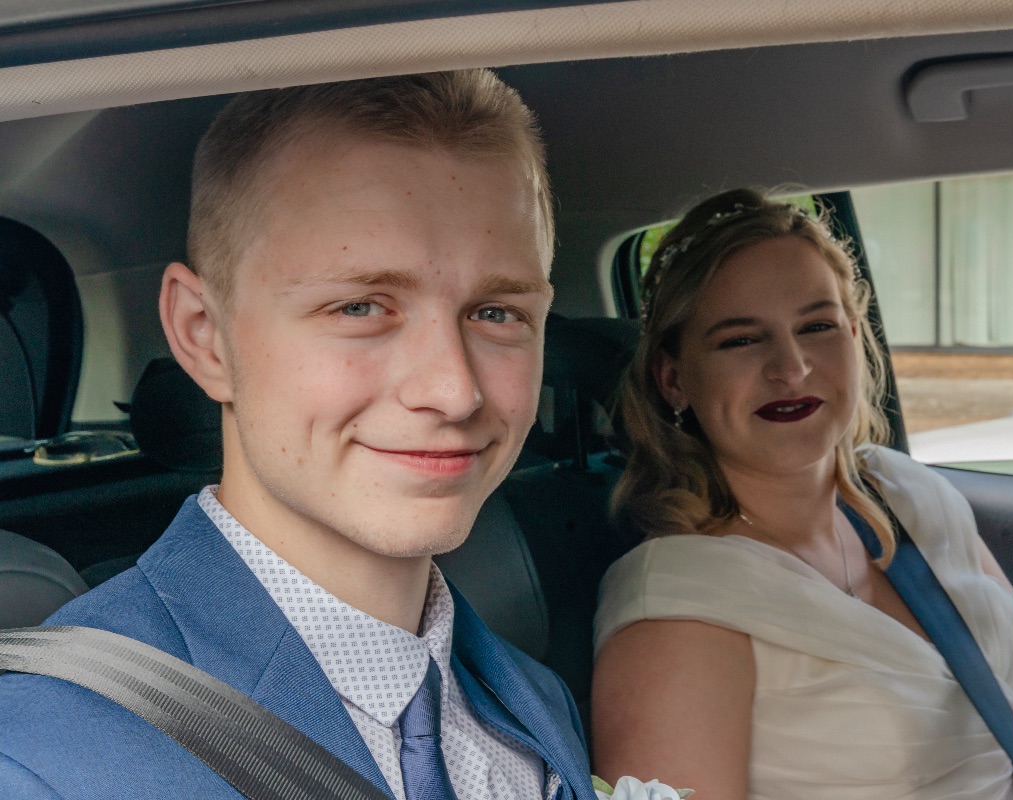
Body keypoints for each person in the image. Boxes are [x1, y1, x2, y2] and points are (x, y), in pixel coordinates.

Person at [0, 71, 595, 799]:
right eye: (360, 307)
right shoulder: (36, 760)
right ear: (205, 336)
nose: (455, 391)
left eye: (497, 313)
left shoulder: (536, 704)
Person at [590, 188, 1013, 800]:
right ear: (673, 378)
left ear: (853, 334)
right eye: (741, 339)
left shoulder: (906, 495)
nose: (792, 367)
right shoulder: (676, 611)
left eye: (816, 327)